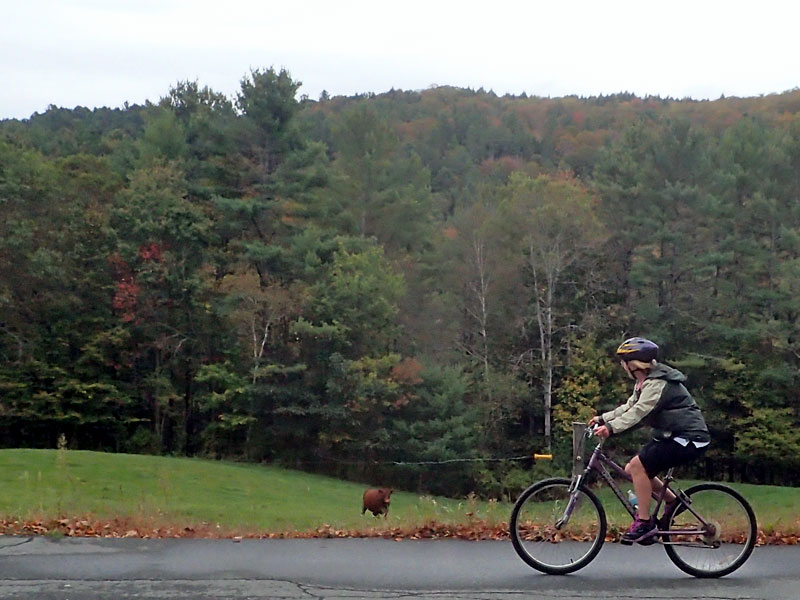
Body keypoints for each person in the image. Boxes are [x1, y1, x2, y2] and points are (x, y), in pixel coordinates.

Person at [588, 337, 710, 544]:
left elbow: (638, 412)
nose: (622, 367)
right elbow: (629, 407)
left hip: (689, 438)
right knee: (631, 469)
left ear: (633, 364)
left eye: (624, 362)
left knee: (637, 467)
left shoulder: (657, 383)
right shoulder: (644, 382)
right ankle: (672, 502)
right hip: (674, 435)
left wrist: (610, 428)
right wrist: (603, 418)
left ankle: (644, 522)